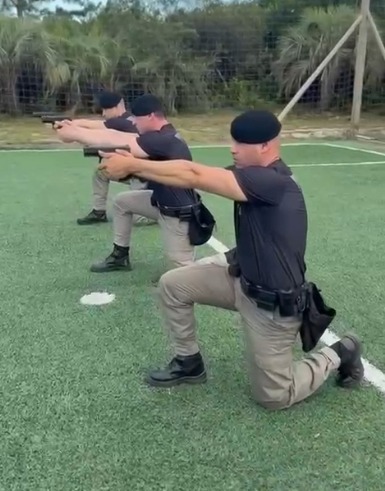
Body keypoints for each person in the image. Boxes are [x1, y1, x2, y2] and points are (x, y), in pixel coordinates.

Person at [98, 109, 364, 411]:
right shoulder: (252, 175)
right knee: (173, 284)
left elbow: (192, 174)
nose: (232, 148)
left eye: (240, 144)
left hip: (272, 305)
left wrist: (132, 164)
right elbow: (193, 172)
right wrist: (135, 167)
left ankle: (342, 351)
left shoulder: (272, 182)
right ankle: (189, 362)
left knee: (275, 397)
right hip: (240, 278)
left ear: (265, 146)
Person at [56, 94, 215, 273]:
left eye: (136, 119)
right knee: (123, 202)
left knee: (181, 275)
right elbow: (115, 135)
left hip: (177, 215)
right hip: (159, 202)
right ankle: (120, 257)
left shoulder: (163, 139)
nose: (134, 123)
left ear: (151, 116)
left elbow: (118, 139)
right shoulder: (160, 134)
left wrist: (75, 133)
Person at [56, 90, 155, 227]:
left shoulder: (122, 122)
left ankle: (164, 213)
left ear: (117, 106)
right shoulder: (124, 121)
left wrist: (70, 124)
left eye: (106, 110)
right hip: (131, 171)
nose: (103, 114)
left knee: (138, 219)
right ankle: (99, 212)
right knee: (100, 173)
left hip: (146, 176)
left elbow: (92, 126)